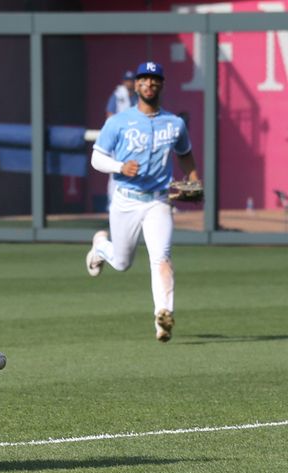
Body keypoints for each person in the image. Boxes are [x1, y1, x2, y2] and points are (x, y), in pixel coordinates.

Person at [86, 61, 202, 343]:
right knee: (123, 263)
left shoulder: (175, 124)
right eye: (144, 79)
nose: (149, 83)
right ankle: (101, 246)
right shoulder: (118, 122)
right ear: (136, 85)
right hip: (126, 200)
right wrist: (119, 167)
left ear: (161, 84)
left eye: (154, 79)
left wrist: (194, 178)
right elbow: (96, 158)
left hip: (158, 202)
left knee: (161, 259)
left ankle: (163, 316)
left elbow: (184, 153)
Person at [104, 70, 138, 209]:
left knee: (134, 170)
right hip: (118, 139)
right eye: (127, 80)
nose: (129, 83)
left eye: (131, 80)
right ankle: (112, 202)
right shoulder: (118, 95)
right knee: (115, 170)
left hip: (133, 139)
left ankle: (132, 201)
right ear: (124, 81)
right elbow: (110, 114)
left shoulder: (137, 96)